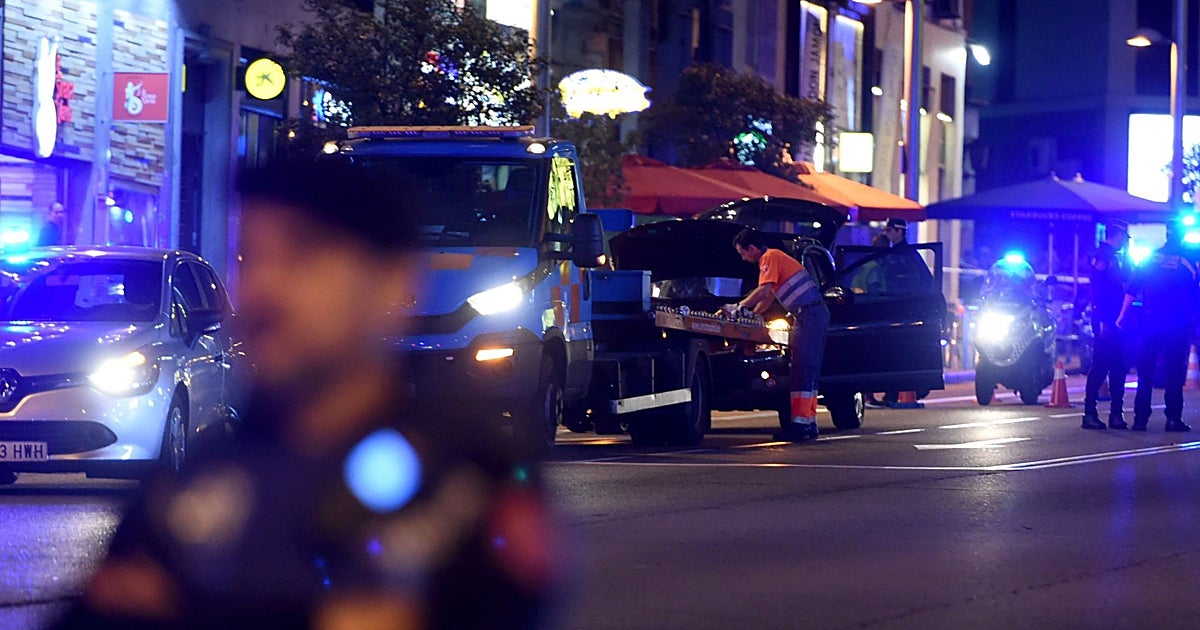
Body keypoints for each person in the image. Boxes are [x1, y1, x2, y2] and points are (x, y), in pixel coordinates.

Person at [54, 159, 563, 628]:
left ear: (391, 281)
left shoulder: (465, 475)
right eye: (250, 257)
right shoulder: (202, 477)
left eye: (302, 254)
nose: (264, 286)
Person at [728, 227, 828, 442]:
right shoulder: (776, 258)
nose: (744, 259)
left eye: (743, 253)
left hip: (808, 314)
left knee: (802, 369)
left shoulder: (769, 257)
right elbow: (768, 298)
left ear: (752, 248)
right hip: (811, 314)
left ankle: (801, 427)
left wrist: (738, 307)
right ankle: (808, 424)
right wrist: (751, 315)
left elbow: (764, 290)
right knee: (807, 369)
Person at [1116, 219, 1197, 432]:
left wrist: (1122, 316)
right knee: (1174, 372)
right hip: (1177, 324)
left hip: (1150, 322)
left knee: (1145, 371)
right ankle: (1173, 419)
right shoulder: (1190, 259)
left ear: (1167, 234)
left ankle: (1140, 419)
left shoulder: (1151, 257)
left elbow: (1132, 289)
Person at [1082, 218, 1130, 430]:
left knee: (1119, 366)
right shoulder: (1103, 257)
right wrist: (1102, 319)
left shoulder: (1114, 257)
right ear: (1117, 235)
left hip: (1115, 318)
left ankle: (1115, 414)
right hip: (1106, 318)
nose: (1125, 242)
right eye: (1124, 238)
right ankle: (1090, 414)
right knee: (1101, 366)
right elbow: (1099, 290)